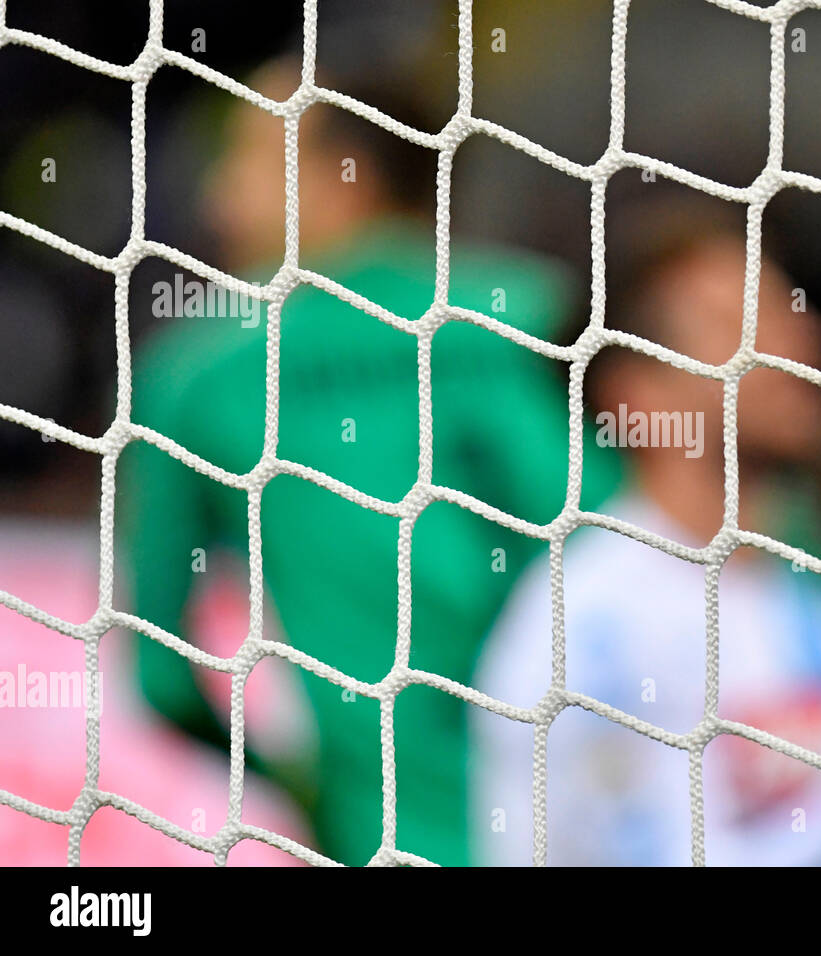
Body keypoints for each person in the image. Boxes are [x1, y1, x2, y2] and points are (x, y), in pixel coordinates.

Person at [121, 57, 621, 866]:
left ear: (339, 178)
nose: (215, 194)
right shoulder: (557, 314)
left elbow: (161, 672)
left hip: (383, 833)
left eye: (243, 157)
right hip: (615, 821)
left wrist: (309, 787)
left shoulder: (201, 373)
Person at [470, 198, 821, 865]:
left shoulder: (800, 595)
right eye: (738, 325)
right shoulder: (586, 625)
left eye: (788, 310)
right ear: (634, 395)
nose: (797, 342)